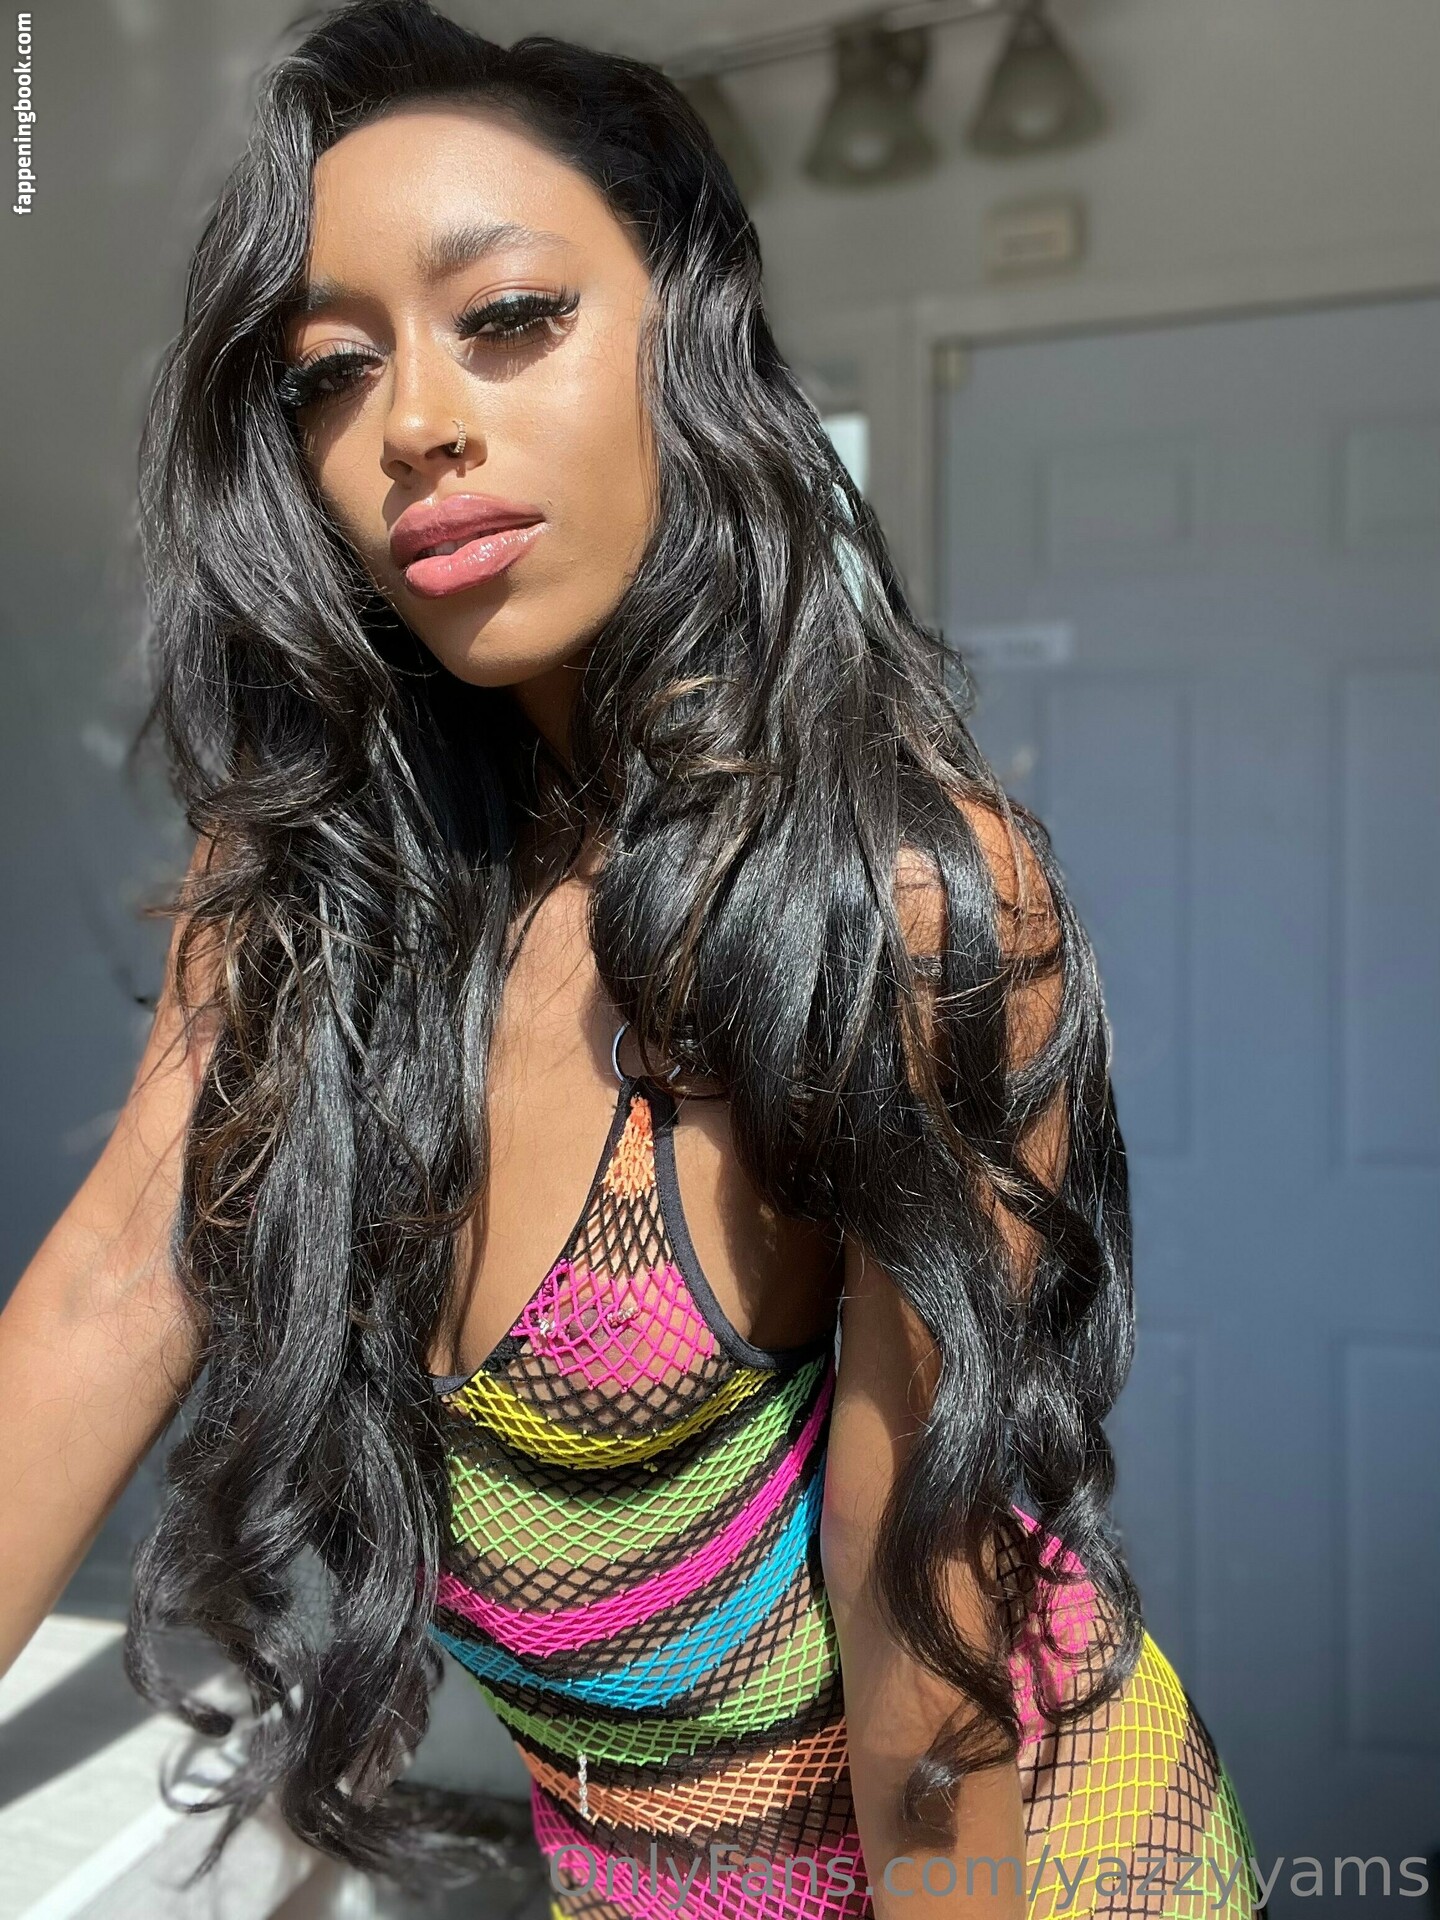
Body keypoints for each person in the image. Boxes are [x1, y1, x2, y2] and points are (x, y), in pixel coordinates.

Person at [0, 3, 1264, 1915]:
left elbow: (920, 1658)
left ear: (689, 340)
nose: (413, 423)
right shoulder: (311, 882)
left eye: (508, 316)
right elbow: (111, 1288)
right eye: (335, 371)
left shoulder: (900, 906)